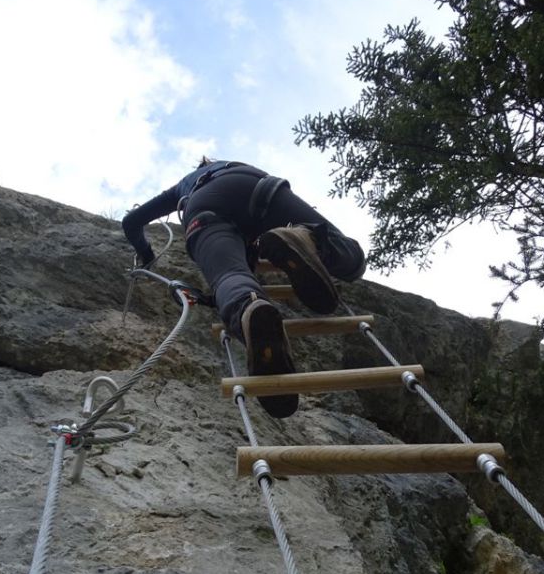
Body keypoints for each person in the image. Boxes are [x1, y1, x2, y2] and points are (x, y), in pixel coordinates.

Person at [122, 158, 366, 418]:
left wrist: (146, 254)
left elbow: (131, 222)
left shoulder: (185, 185)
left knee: (230, 275)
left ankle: (248, 308)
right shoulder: (233, 164)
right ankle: (306, 239)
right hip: (256, 187)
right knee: (354, 261)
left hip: (203, 206)